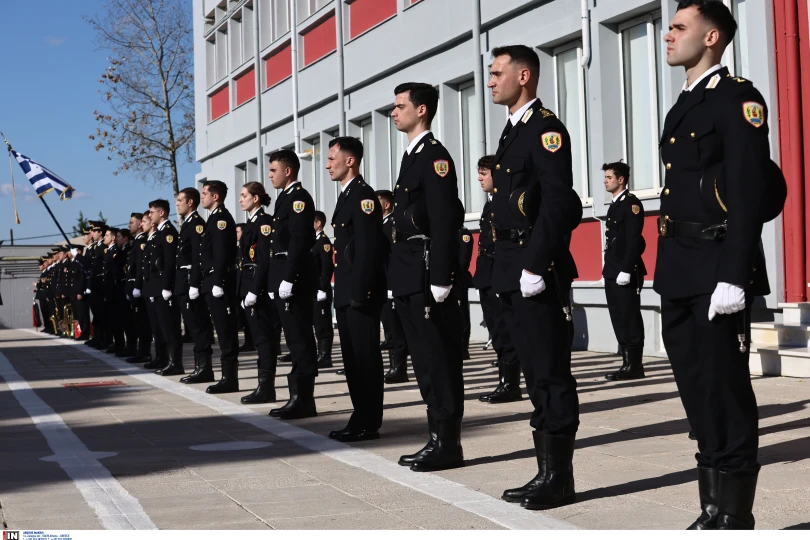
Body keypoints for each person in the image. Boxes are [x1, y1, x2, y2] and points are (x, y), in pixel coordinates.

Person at [657, 1, 777, 529]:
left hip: (715, 267)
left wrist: (734, 273)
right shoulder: (685, 102)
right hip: (678, 267)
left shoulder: (737, 98)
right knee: (695, 389)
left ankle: (734, 513)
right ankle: (711, 507)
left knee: (725, 390)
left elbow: (747, 193)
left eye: (679, 27)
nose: (668, 35)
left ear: (711, 37)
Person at [488, 45, 583, 510]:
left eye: (497, 73)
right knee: (533, 372)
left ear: (523, 76)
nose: (490, 81)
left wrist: (535, 263)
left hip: (534, 269)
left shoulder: (546, 129)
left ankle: (559, 478)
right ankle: (545, 471)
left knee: (549, 372)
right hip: (511, 266)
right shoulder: (513, 130)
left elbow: (559, 203)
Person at [390, 82, 465, 472]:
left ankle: (447, 443)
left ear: (422, 110)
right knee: (422, 358)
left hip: (425, 270)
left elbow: (443, 218)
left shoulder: (435, 156)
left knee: (437, 357)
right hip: (407, 268)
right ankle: (435, 437)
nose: (394, 112)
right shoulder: (411, 156)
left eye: (400, 106)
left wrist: (441, 276)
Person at [326, 136, 386, 442]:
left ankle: (368, 421)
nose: (327, 164)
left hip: (359, 292)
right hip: (346, 290)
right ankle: (360, 416)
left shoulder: (363, 195)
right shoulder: (346, 195)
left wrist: (360, 293)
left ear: (350, 161)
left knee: (365, 358)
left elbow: (368, 248)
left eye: (332, 158)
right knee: (352, 360)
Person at [266, 150, 319, 419]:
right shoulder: (284, 198)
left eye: (273, 170)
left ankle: (304, 399)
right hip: (283, 271)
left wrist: (288, 277)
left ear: (288, 171)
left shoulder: (299, 198)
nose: (270, 175)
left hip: (294, 275)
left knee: (299, 337)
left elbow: (298, 239)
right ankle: (296, 396)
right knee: (292, 336)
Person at [473, 155, 522, 404]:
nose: (479, 178)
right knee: (496, 329)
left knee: (505, 329)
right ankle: (504, 381)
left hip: (500, 270)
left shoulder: (506, 201)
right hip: (487, 271)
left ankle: (510, 384)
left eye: (484, 173)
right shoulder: (490, 204)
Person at [601, 162, 647, 381]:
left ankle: (635, 366)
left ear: (621, 180)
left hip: (625, 270)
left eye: (609, 177)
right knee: (618, 317)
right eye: (605, 177)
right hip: (612, 269)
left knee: (629, 317)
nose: (605, 181)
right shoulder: (615, 204)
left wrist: (627, 269)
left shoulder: (631, 204)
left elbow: (634, 240)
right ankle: (627, 363)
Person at [237, 182, 280, 404]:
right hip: (248, 283)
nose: (240, 199)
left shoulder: (263, 222)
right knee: (259, 337)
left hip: (257, 286)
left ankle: (266, 388)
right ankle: (263, 386)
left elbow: (263, 259)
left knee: (264, 338)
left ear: (256, 198)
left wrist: (254, 290)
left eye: (244, 195)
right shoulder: (252, 222)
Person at [198, 180, 240, 393]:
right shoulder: (213, 218)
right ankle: (226, 376)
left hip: (219, 282)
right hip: (211, 280)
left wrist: (218, 282)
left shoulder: (221, 219)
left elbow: (222, 253)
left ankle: (229, 378)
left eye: (205, 193)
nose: (202, 196)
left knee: (225, 331)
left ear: (215, 196)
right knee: (221, 330)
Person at [175, 188, 216, 384]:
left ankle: (204, 369)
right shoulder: (188, 224)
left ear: (190, 202)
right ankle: (200, 367)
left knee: (198, 326)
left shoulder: (197, 224)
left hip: (191, 280)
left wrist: (194, 283)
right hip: (184, 280)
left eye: (180, 200)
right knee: (193, 326)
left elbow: (198, 256)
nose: (177, 204)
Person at [147, 199, 184, 376]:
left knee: (170, 327)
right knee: (162, 327)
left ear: (161, 213)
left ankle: (175, 363)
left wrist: (167, 286)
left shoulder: (168, 232)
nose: (149, 215)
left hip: (165, 286)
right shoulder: (159, 233)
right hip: (158, 286)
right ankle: (168, 361)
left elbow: (169, 262)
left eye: (152, 212)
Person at [377, 189, 410, 384]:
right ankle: (394, 366)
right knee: (389, 327)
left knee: (395, 328)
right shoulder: (380, 224)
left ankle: (399, 368)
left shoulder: (392, 224)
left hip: (391, 283)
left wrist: (391, 283)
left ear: (387, 205)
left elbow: (392, 257)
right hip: (383, 283)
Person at [140, 210, 170, 370]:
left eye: (144, 221)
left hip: (160, 287)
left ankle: (169, 360)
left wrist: (166, 286)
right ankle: (160, 357)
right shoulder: (152, 238)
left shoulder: (165, 234)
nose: (141, 225)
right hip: (152, 287)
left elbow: (167, 262)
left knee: (164, 327)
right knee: (156, 328)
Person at [126, 212, 153, 363]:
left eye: (132, 223)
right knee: (137, 321)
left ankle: (145, 352)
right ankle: (141, 350)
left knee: (143, 322)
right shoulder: (136, 241)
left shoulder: (142, 240)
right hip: (133, 285)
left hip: (140, 286)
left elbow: (140, 267)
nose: (129, 225)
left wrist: (137, 286)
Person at [311, 210, 335, 369]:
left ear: (318, 223)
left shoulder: (323, 242)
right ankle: (319, 354)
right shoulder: (313, 241)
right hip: (313, 289)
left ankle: (325, 356)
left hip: (321, 290)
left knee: (323, 324)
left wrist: (322, 288)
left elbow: (327, 267)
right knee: (316, 322)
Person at [86, 221, 111, 349]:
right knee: (97, 314)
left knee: (102, 314)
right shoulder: (96, 247)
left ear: (100, 232)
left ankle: (105, 340)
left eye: (94, 231)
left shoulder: (102, 247)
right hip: (95, 284)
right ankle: (98, 338)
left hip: (101, 285)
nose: (92, 234)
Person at [102, 227, 125, 354]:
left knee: (117, 319)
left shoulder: (116, 251)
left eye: (106, 235)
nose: (104, 238)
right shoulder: (108, 252)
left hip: (115, 289)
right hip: (109, 289)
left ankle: (120, 344)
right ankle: (116, 343)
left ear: (113, 238)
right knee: (112, 319)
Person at [236, 222, 256, 353]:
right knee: (244, 318)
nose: (236, 235)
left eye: (237, 232)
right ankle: (248, 342)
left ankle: (251, 342)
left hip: (248, 283)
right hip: (241, 284)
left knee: (251, 317)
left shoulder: (248, 247)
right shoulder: (238, 248)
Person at [113, 228, 134, 356]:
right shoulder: (120, 250)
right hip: (120, 287)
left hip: (125, 285)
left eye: (119, 237)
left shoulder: (127, 250)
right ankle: (127, 346)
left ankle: (131, 346)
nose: (117, 239)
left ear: (125, 238)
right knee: (123, 319)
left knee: (128, 320)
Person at [457, 227, 473, 360]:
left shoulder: (463, 234)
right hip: (446, 281)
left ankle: (463, 348)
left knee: (461, 315)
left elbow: (463, 260)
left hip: (458, 281)